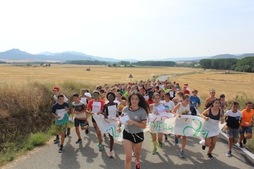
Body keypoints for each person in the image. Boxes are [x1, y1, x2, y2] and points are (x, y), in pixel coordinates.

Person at [117, 92, 149, 169]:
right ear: (130, 99)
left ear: (139, 100)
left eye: (136, 99)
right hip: (127, 134)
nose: (134, 101)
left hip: (138, 135)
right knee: (128, 157)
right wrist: (119, 126)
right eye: (132, 99)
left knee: (137, 154)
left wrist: (133, 122)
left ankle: (137, 162)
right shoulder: (125, 109)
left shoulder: (142, 111)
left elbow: (144, 126)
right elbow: (121, 119)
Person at [103, 92, 118, 158]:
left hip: (115, 121)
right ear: (107, 98)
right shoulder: (106, 105)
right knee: (111, 136)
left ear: (114, 97)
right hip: (109, 122)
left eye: (111, 96)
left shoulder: (116, 104)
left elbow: (118, 112)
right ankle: (111, 151)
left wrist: (118, 114)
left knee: (113, 136)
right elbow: (103, 113)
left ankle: (111, 151)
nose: (110, 97)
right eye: (109, 96)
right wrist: (105, 115)